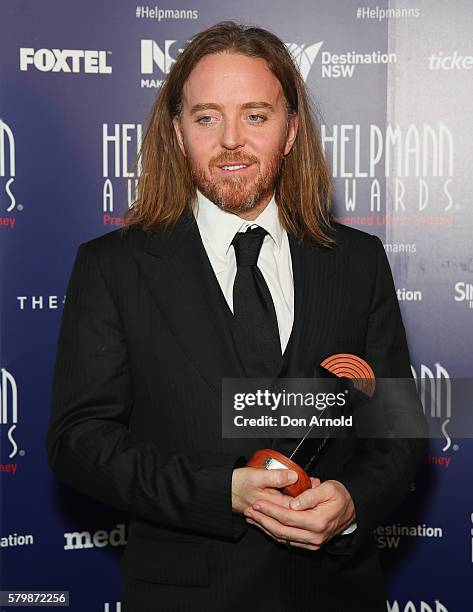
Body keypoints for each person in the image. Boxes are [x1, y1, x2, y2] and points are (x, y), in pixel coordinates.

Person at [46, 21, 427, 612]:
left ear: (291, 129)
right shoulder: (113, 268)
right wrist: (218, 492)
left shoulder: (356, 260)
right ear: (176, 132)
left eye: (255, 115)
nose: (230, 140)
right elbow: (78, 442)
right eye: (206, 117)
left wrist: (352, 501)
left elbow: (398, 430)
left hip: (336, 592)